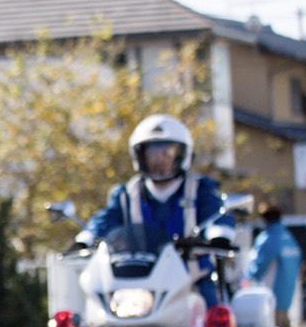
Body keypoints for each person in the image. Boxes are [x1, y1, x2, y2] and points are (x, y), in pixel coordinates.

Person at [76, 114, 233, 306]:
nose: (160, 160)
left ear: (182, 154)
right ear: (140, 155)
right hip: (138, 284)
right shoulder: (126, 194)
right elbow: (106, 219)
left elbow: (217, 213)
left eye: (167, 153)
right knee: (96, 321)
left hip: (192, 280)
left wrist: (220, 236)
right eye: (153, 153)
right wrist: (85, 239)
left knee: (215, 320)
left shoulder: (200, 189)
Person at [246, 204, 302, 327]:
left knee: (274, 325)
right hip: (287, 287)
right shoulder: (287, 236)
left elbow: (259, 263)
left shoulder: (269, 237)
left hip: (271, 288)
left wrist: (248, 277)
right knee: (285, 322)